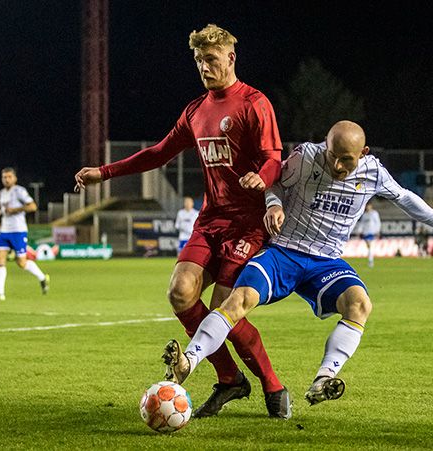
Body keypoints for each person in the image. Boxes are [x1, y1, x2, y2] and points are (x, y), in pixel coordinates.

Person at [163, 120, 433, 407]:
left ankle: (323, 380)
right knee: (237, 300)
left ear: (364, 153)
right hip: (283, 253)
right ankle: (188, 362)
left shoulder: (373, 172)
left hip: (325, 262)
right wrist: (273, 205)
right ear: (325, 147)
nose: (338, 165)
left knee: (359, 305)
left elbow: (404, 197)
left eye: (347, 159)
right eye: (333, 155)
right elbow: (274, 180)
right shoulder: (306, 157)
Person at [74, 24, 290, 418]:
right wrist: (103, 173)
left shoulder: (254, 103)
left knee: (224, 311)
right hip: (210, 221)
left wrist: (264, 176)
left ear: (230, 57)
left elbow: (274, 156)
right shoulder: (195, 111)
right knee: (180, 293)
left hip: (248, 223)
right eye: (198, 60)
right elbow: (157, 154)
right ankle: (229, 379)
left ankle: (272, 384)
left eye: (211, 59)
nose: (205, 67)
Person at [0, 167, 50, 301]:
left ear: (15, 178)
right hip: (5, 231)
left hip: (18, 230)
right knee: (0, 259)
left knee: (21, 263)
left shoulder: (19, 191)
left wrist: (16, 209)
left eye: (9, 177)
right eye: (4, 177)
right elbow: (5, 211)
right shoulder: (2, 193)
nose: (6, 179)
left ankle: (42, 278)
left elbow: (33, 206)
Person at [356, 202, 381, 267]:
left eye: (368, 206)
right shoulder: (364, 215)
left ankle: (370, 261)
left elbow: (377, 222)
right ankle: (370, 259)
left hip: (372, 232)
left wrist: (377, 231)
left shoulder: (374, 213)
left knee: (370, 246)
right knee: (368, 247)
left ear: (371, 206)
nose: (367, 207)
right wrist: (359, 231)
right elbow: (361, 223)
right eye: (366, 206)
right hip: (365, 233)